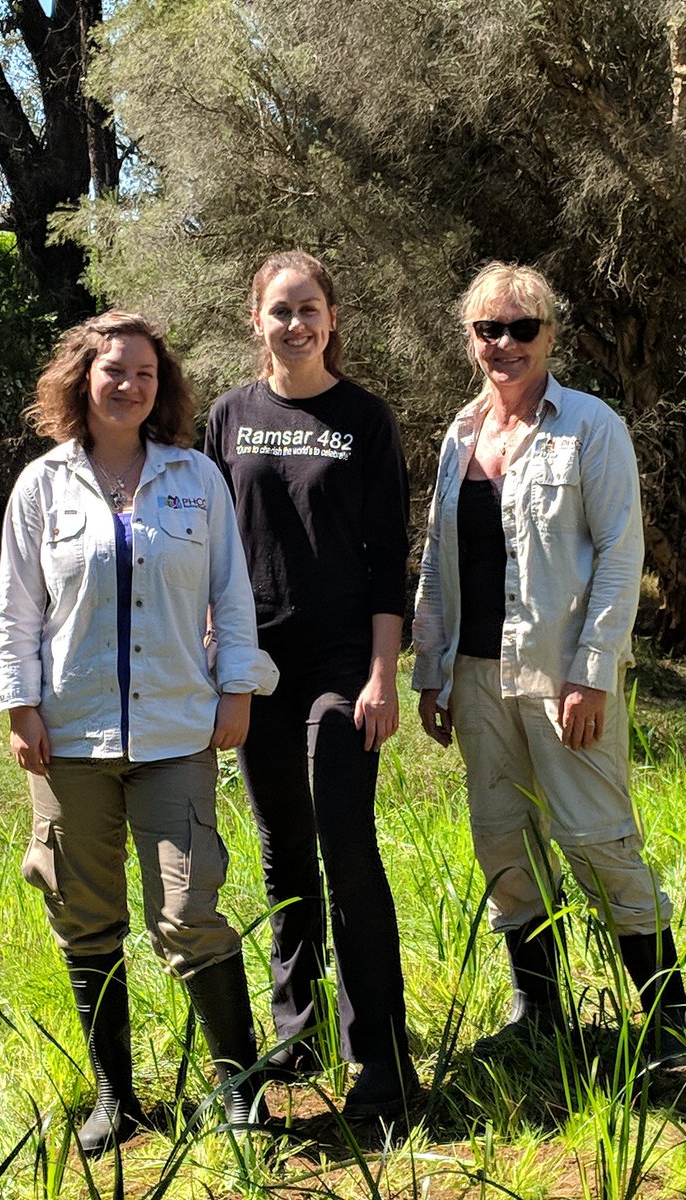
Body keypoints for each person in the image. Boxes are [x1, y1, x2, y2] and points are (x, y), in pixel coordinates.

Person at [0, 312, 279, 1156]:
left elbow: (234, 592)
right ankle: (117, 1094)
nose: (130, 385)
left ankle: (239, 1085)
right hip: (68, 737)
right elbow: (17, 607)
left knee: (190, 914)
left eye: (145, 373)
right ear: (83, 379)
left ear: (162, 386)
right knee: (86, 915)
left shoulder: (195, 479)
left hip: (178, 730)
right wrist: (19, 706)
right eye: (114, 370)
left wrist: (237, 689)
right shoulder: (41, 486)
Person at [413, 262, 686, 1063]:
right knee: (504, 840)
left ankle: (667, 1019)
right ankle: (540, 1013)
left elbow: (619, 553)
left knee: (598, 839)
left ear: (550, 336)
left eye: (521, 329)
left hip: (561, 676)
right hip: (473, 675)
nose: (504, 344)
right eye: (487, 330)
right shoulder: (459, 435)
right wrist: (428, 667)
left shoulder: (591, 427)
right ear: (470, 340)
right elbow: (439, 558)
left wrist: (592, 670)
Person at [204, 250, 416, 1119]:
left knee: (344, 837)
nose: (295, 324)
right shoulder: (228, 416)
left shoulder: (365, 418)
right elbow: (213, 550)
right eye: (280, 310)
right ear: (256, 318)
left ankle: (385, 1061)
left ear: (332, 320)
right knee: (281, 844)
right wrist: (216, 658)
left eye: (310, 310)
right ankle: (298, 1030)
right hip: (257, 668)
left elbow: (386, 561)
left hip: (339, 669)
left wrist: (381, 676)